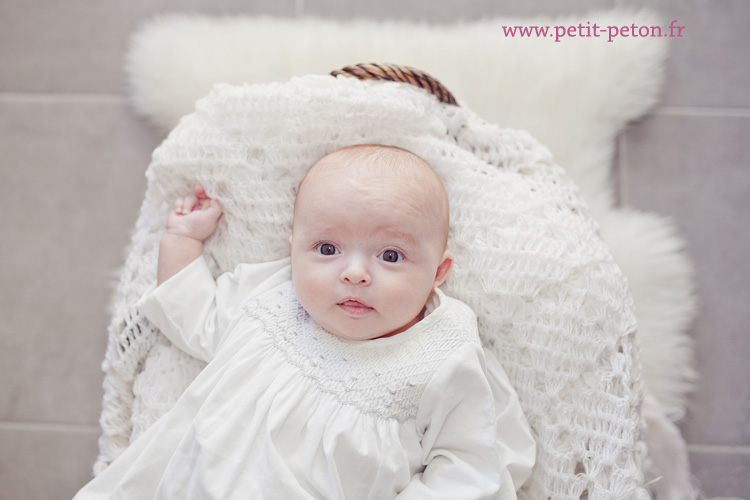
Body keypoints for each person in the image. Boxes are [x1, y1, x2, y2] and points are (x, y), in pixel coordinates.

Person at [74, 144, 535, 499]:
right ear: (293, 249)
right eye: (328, 249)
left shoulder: (444, 354)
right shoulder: (273, 302)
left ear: (437, 274)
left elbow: (475, 463)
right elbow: (195, 318)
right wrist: (181, 240)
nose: (354, 273)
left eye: (391, 255)